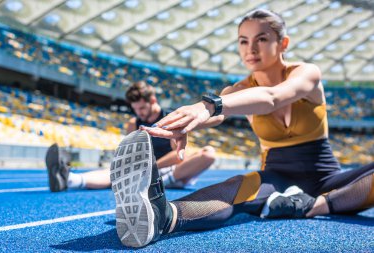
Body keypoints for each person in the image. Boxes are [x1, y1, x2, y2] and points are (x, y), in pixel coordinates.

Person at [109, 9, 374, 248]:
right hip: (276, 179)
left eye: (261, 39)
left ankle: (313, 206)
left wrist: (210, 106)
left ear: (283, 43)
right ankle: (162, 217)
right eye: (243, 41)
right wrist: (187, 122)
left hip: (328, 179)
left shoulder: (307, 73)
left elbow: (272, 97)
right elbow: (217, 117)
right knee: (236, 186)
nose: (251, 49)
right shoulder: (237, 92)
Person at [46, 81, 216, 192]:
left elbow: (179, 156)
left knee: (208, 153)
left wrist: (151, 167)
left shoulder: (170, 118)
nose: (139, 112)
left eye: (142, 108)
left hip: (170, 170)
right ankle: (70, 179)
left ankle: (160, 183)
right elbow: (131, 154)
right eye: (135, 109)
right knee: (115, 171)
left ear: (153, 101)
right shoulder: (133, 123)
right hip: (143, 171)